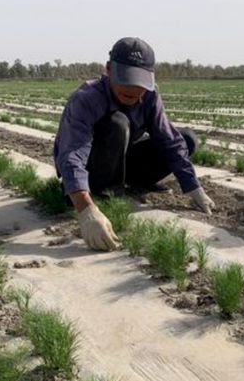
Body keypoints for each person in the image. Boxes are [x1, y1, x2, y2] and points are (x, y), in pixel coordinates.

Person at [54, 37, 215, 251]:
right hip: (94, 168)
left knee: (186, 140)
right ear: (109, 69)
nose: (132, 89)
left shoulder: (149, 95)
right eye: (126, 78)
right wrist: (85, 210)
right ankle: (104, 193)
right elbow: (71, 153)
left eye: (139, 81)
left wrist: (192, 186)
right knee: (117, 123)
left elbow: (169, 140)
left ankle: (132, 183)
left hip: (123, 160)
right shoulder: (86, 99)